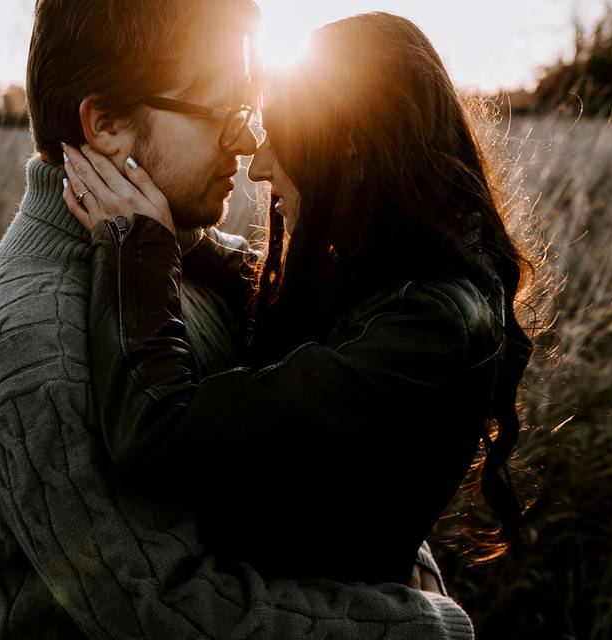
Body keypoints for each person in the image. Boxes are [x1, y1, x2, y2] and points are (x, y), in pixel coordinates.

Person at [0, 2, 474, 638]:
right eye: (221, 113)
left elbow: (335, 445)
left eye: (246, 112)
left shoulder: (190, 262)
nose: (247, 144)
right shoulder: (34, 342)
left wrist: (405, 558)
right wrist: (420, 624)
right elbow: (166, 612)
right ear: (105, 122)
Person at [62, 12, 534, 590]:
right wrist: (180, 229)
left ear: (353, 152)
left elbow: (159, 433)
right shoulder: (404, 272)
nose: (257, 166)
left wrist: (138, 249)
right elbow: (298, 293)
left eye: (282, 137)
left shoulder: (428, 332)